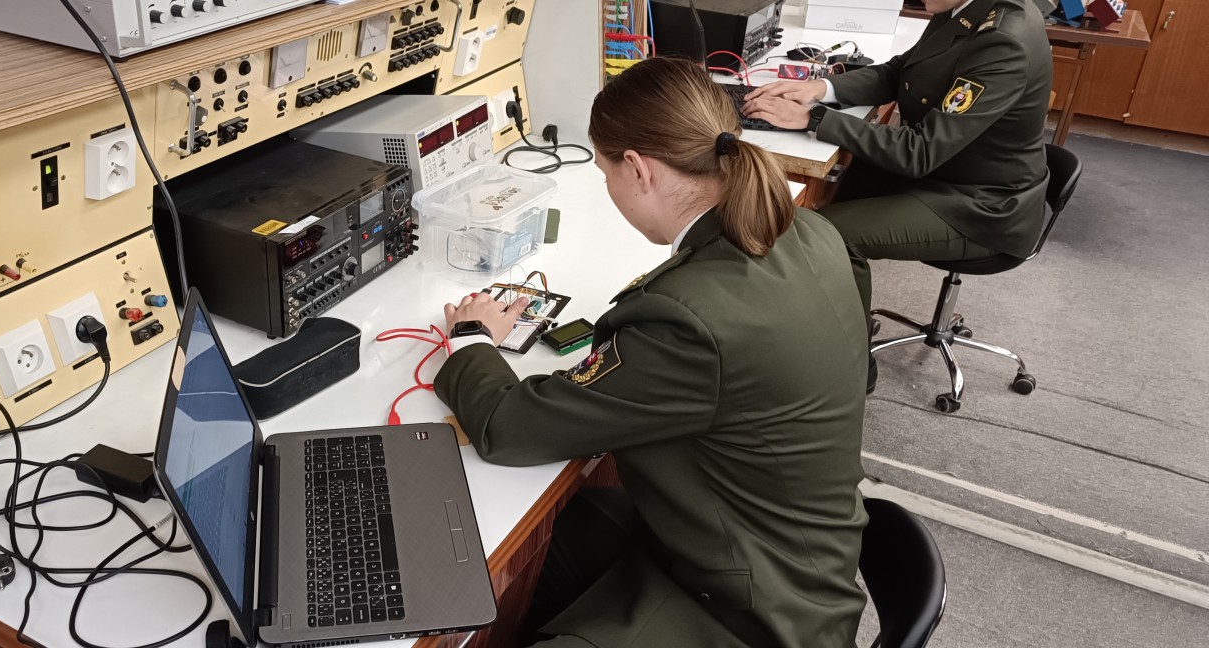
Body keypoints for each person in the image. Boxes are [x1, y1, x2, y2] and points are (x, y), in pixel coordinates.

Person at [434, 57, 869, 648]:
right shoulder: (807, 230)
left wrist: (470, 337)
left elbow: (507, 429)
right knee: (569, 529)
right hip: (794, 555)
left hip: (754, 613)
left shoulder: (688, 322)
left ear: (638, 169)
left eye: (605, 173)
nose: (608, 189)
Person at [742, 0, 1052, 389]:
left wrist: (815, 118)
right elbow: (899, 72)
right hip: (950, 170)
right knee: (843, 188)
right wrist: (821, 89)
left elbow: (920, 151)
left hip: (981, 204)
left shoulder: (1003, 41)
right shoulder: (962, 8)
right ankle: (834, 314)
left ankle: (853, 362)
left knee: (828, 233)